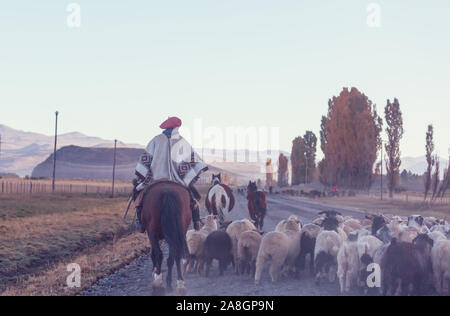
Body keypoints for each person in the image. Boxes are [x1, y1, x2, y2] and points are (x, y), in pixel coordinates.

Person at [132, 117, 208, 232]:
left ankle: (140, 223)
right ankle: (196, 221)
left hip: (155, 179)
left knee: (139, 195)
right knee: (193, 198)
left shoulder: (155, 140)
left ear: (166, 127)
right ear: (177, 127)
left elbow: (145, 161)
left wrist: (140, 178)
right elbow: (192, 160)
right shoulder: (182, 141)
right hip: (178, 181)